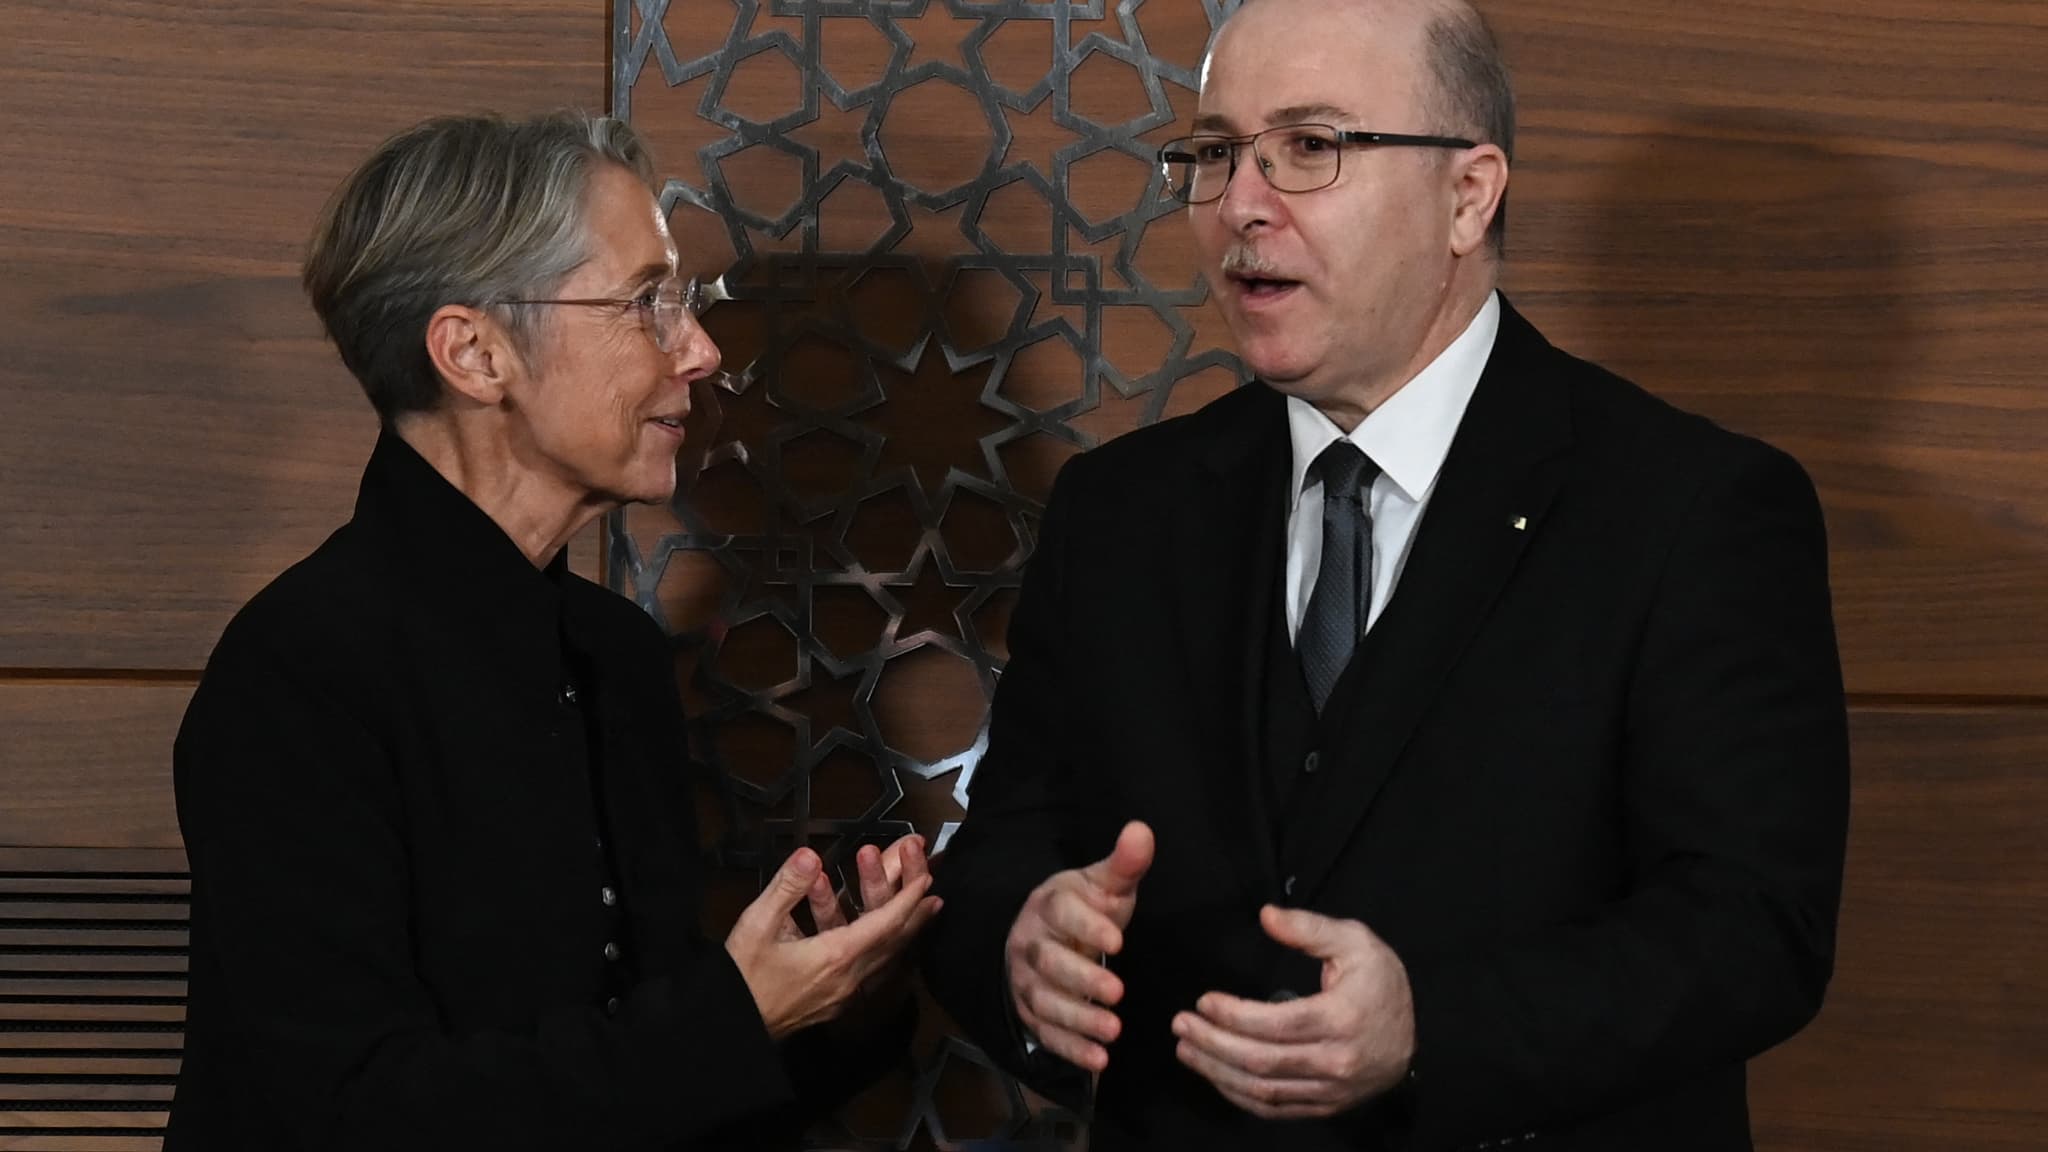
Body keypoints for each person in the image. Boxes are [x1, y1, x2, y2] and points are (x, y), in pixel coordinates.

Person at [920, 0, 1850, 1148]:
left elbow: (1753, 929)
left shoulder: (1690, 508)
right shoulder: (1120, 511)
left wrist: (1431, 1032)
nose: (1240, 208)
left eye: (1309, 148)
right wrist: (1022, 943)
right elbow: (997, 853)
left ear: (1467, 195)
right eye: (1216, 153)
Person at [167, 111, 938, 1151]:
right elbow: (352, 1115)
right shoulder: (297, 675)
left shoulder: (610, 655)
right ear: (475, 353)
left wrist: (841, 992)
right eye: (645, 304)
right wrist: (729, 1017)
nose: (701, 351)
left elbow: (648, 1093)